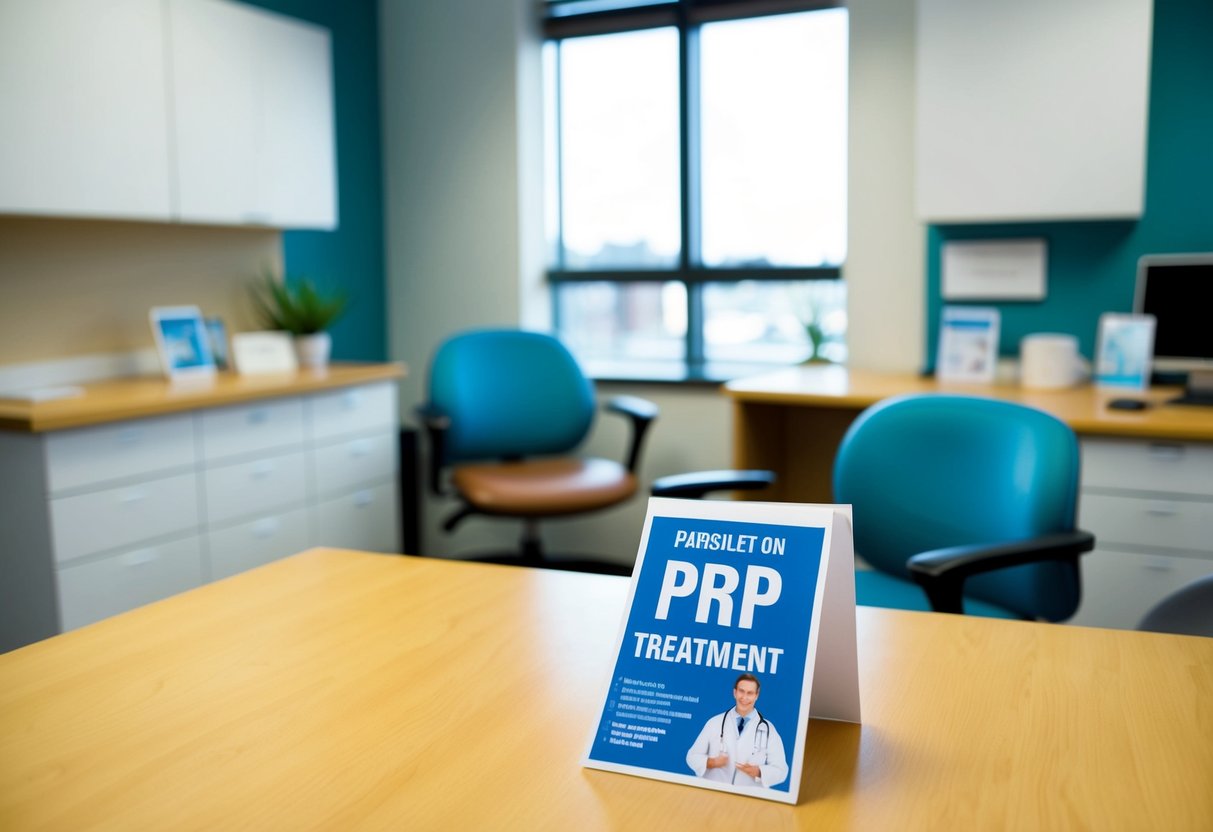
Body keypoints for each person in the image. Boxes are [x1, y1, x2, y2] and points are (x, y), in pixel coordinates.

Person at [685, 673, 788, 789]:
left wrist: (759, 771)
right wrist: (712, 762)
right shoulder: (714, 722)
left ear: (757, 695)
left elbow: (781, 770)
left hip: (748, 798)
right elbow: (692, 756)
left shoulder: (768, 729)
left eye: (750, 693)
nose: (744, 697)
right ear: (735, 692)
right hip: (712, 792)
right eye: (741, 691)